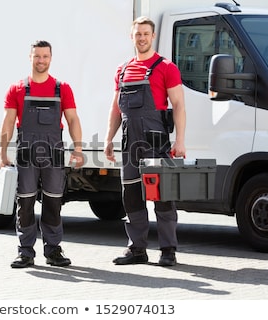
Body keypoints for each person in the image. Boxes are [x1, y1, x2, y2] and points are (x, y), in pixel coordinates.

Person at [104, 16, 186, 266]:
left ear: (152, 37)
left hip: (156, 139)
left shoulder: (166, 67)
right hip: (130, 141)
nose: (141, 38)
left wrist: (180, 140)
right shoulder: (123, 69)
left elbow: (179, 105)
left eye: (145, 34)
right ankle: (137, 249)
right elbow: (117, 108)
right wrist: (109, 139)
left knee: (162, 195)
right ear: (132, 37)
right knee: (131, 194)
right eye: (137, 34)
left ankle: (168, 250)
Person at [0, 40, 84, 269]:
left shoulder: (61, 87)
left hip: (54, 151)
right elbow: (8, 122)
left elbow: (73, 119)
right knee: (25, 201)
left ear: (51, 58)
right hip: (27, 150)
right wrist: (2, 152)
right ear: (30, 57)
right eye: (37, 56)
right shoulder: (17, 88)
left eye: (45, 56)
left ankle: (53, 250)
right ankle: (25, 252)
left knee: (53, 201)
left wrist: (78, 148)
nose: (41, 60)